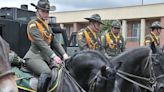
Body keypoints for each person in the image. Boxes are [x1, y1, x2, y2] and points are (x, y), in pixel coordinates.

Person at [24, 0, 69, 76]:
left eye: (47, 12)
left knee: (63, 71)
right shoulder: (33, 24)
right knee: (47, 73)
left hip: (46, 57)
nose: (45, 14)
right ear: (37, 11)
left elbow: (55, 42)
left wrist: (64, 55)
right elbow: (40, 43)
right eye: (43, 11)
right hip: (34, 57)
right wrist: (54, 56)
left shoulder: (47, 27)